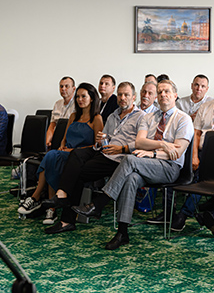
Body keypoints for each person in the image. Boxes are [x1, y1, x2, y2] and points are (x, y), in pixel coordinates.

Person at [73, 80, 194, 250]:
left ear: (175, 95)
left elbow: (177, 152)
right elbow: (139, 142)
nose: (163, 95)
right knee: (131, 178)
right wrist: (163, 144)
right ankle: (122, 233)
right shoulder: (148, 117)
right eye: (160, 92)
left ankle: (99, 203)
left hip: (169, 168)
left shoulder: (183, 119)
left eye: (166, 91)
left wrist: (152, 153)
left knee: (129, 160)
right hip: (147, 163)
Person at [41, 82, 145, 234]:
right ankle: (62, 198)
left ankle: (66, 218)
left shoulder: (141, 117)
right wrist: (100, 141)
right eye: (120, 94)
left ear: (134, 97)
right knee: (76, 156)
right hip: (104, 153)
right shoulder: (112, 116)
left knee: (77, 171)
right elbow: (103, 140)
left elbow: (142, 143)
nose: (122, 98)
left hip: (122, 158)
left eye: (126, 95)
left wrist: (122, 148)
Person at [153, 77, 214, 233]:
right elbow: (196, 133)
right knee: (174, 165)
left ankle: (183, 215)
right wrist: (194, 156)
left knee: (200, 178)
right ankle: (168, 212)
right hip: (199, 151)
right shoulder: (206, 106)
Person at [17, 83, 103, 224]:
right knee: (51, 157)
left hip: (80, 156)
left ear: (92, 98)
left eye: (83, 96)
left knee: (50, 157)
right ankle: (50, 207)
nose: (80, 100)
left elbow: (96, 146)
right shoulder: (73, 116)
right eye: (78, 97)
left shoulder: (96, 118)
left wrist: (71, 150)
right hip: (65, 152)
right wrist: (62, 146)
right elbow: (64, 138)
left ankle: (37, 197)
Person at [45, 76, 76, 147]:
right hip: (56, 138)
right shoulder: (57, 104)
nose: (63, 89)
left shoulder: (77, 104)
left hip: (69, 140)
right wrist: (47, 142)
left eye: (66, 86)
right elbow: (52, 125)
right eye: (61, 86)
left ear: (73, 89)